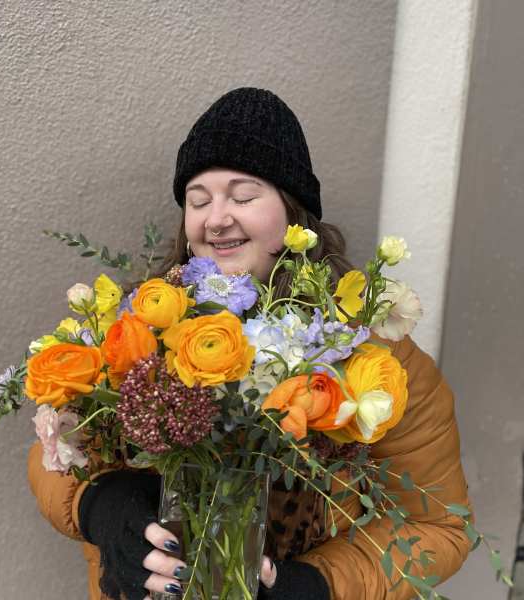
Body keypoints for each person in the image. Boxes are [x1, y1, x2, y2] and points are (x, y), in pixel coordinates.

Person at [28, 87, 472, 600]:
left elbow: (437, 527)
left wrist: (317, 585)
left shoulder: (371, 358)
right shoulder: (134, 329)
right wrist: (98, 503)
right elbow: (53, 452)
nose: (217, 218)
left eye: (243, 197)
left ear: (293, 215)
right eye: (199, 200)